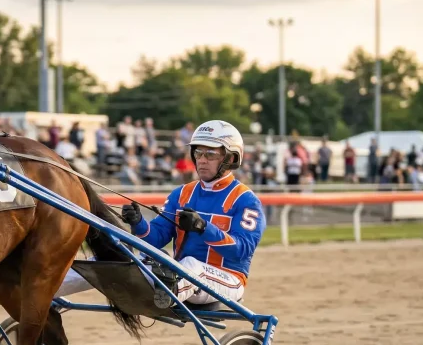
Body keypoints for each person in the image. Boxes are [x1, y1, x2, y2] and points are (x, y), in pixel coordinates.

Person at [56, 120, 266, 308]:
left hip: (228, 280)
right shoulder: (182, 194)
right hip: (180, 275)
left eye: (210, 154)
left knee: (191, 266)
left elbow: (241, 251)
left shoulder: (246, 201)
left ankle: (166, 291)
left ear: (230, 158)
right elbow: (154, 239)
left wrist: (203, 228)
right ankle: (50, 288)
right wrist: (138, 223)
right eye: (198, 153)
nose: (201, 160)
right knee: (116, 255)